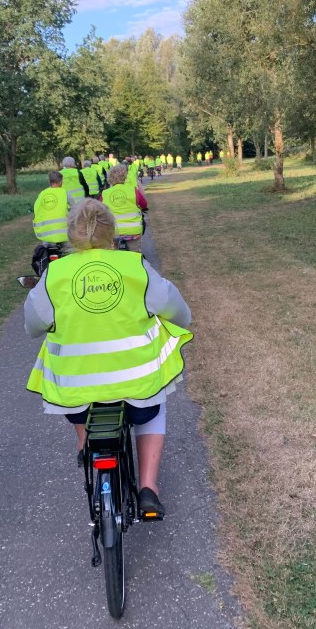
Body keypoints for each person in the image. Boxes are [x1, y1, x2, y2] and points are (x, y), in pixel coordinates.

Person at [24, 199, 192, 518]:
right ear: (111, 231)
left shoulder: (54, 274)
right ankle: (148, 487)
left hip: (75, 390)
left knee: (72, 392)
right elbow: (176, 310)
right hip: (136, 384)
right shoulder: (134, 266)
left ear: (71, 233)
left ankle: (84, 445)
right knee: (154, 401)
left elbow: (33, 326)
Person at [100, 163, 147, 253]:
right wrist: (143, 207)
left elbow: (100, 209)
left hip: (113, 232)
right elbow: (144, 204)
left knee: (113, 253)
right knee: (134, 254)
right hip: (133, 230)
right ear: (125, 176)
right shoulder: (133, 190)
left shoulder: (105, 193)